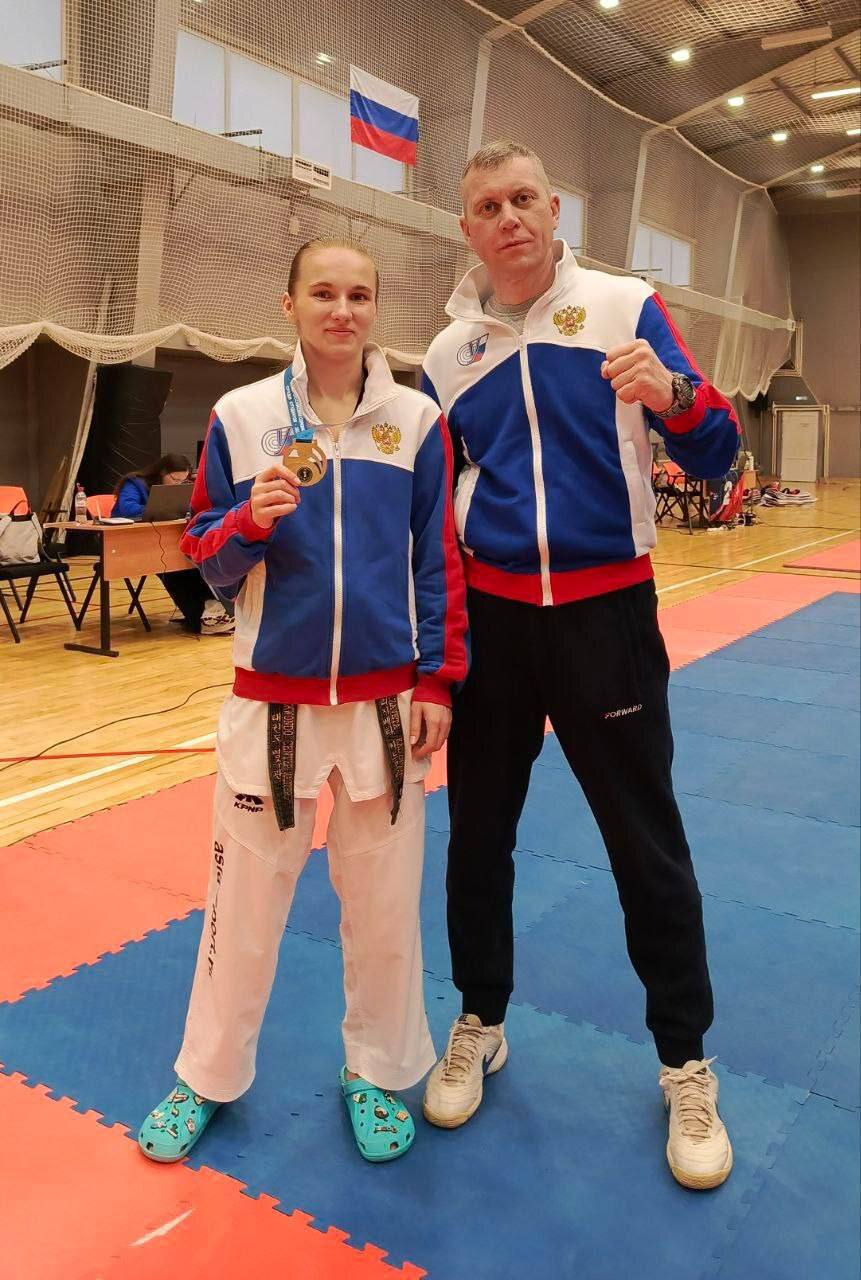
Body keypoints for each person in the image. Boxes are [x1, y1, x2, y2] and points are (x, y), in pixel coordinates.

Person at [420, 141, 739, 1191]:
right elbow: (431, 515)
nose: (508, 217)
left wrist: (675, 395)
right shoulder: (448, 355)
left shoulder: (621, 305)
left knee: (646, 846)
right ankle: (480, 1017)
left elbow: (717, 452)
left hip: (607, 616)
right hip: (494, 628)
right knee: (477, 839)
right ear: (466, 228)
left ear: (553, 208)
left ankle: (684, 1063)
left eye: (523, 198)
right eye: (487, 205)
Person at [137, 239, 467, 1165]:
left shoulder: (416, 421)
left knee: (385, 909)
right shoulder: (241, 416)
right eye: (323, 292)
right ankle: (206, 1075)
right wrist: (248, 521)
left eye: (359, 294)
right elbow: (203, 557)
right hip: (269, 704)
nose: (342, 310)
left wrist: (437, 679)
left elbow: (437, 562)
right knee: (239, 906)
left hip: (383, 706)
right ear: (289, 305)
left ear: (375, 309)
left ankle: (377, 1071)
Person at [113, 453, 234, 635]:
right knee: (172, 570)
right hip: (127, 543)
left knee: (188, 564)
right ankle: (199, 618)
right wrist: (158, 509)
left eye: (182, 481)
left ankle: (212, 611)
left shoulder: (178, 487)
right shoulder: (134, 483)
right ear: (162, 472)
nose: (178, 484)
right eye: (175, 480)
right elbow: (127, 508)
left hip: (160, 542)